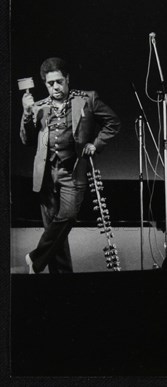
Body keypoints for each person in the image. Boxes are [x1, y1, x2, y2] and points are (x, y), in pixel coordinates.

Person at [20, 57, 121, 273]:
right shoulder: (38, 107)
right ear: (44, 84)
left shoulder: (87, 99)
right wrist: (27, 113)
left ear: (67, 79)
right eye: (50, 83)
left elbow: (113, 122)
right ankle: (63, 281)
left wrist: (95, 145)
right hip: (46, 174)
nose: (55, 87)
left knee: (67, 217)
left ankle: (35, 258)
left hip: (72, 172)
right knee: (55, 231)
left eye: (59, 81)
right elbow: (26, 140)